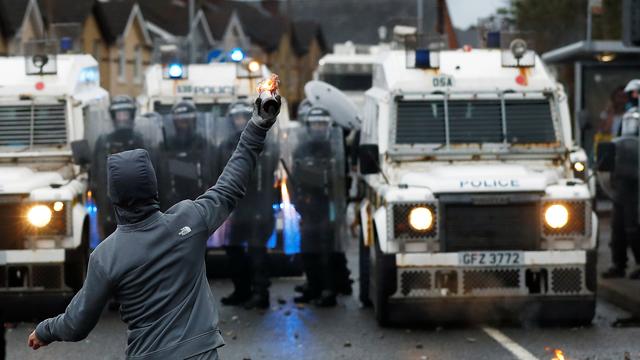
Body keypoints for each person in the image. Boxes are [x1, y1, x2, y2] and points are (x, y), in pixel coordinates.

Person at [27, 95, 281, 359]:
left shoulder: (105, 256)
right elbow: (231, 184)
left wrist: (45, 331)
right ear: (153, 186)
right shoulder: (190, 220)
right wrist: (257, 125)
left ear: (114, 196)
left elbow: (76, 324)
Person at [218, 101, 278, 309]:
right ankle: (241, 290)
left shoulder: (265, 144)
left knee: (257, 251)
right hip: (237, 206)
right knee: (233, 249)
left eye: (244, 117)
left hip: (259, 205)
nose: (241, 121)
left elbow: (270, 179)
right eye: (237, 118)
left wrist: (266, 206)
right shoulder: (225, 145)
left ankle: (261, 293)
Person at [289, 107, 347, 307]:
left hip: (328, 205)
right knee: (307, 250)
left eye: (322, 124)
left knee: (326, 250)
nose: (319, 128)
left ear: (328, 126)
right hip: (307, 206)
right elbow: (293, 179)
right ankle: (313, 288)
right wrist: (297, 203)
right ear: (309, 126)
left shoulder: (335, 148)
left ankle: (328, 290)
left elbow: (342, 181)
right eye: (315, 124)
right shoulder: (301, 149)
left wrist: (338, 207)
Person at [91, 95, 145, 238]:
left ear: (131, 115)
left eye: (125, 114)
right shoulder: (103, 143)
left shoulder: (139, 140)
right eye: (119, 114)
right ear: (113, 116)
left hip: (136, 206)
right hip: (109, 206)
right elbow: (95, 175)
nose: (122, 118)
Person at [602, 90, 640, 279]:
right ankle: (618, 263)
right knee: (619, 225)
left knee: (633, 224)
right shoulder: (625, 119)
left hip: (636, 179)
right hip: (623, 177)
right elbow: (615, 145)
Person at [158, 101, 211, 209]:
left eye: (187, 120)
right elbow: (161, 174)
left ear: (194, 120)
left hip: (199, 201)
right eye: (180, 121)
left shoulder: (202, 142)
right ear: (174, 122)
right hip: (172, 203)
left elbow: (210, 173)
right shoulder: (166, 144)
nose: (183, 124)